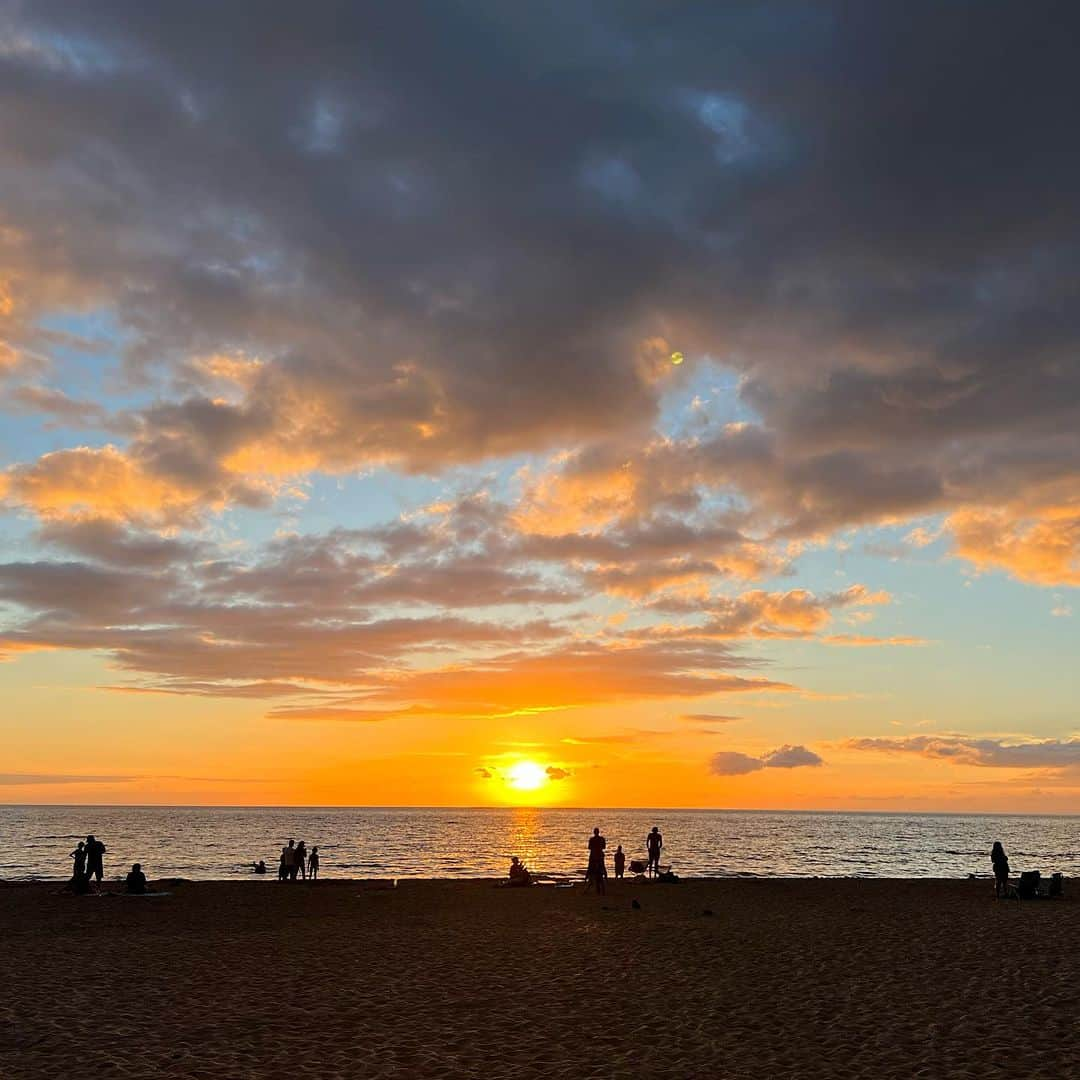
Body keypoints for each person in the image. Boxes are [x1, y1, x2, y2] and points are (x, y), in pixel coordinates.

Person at [586, 827, 606, 895]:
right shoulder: (602, 839)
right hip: (600, 856)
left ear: (594, 832)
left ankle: (589, 880)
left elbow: (589, 848)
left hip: (594, 857)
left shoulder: (592, 839)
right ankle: (602, 887)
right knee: (601, 871)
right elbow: (604, 847)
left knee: (591, 870)